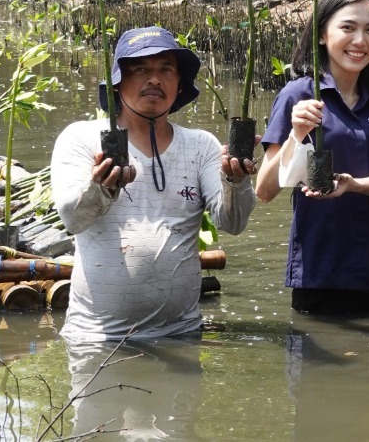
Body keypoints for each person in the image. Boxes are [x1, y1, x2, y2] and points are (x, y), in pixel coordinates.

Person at [51, 26, 255, 341]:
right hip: (96, 338)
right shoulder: (82, 138)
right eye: (141, 69)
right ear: (118, 83)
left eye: (166, 69)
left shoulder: (201, 146)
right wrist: (102, 187)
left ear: (179, 84)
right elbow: (72, 218)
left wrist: (235, 181)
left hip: (182, 334)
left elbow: (233, 222)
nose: (155, 79)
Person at [255, 0, 369, 313]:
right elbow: (264, 190)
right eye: (348, 27)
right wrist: (296, 134)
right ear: (321, 35)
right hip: (320, 270)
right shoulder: (297, 95)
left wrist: (352, 185)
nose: (360, 41)